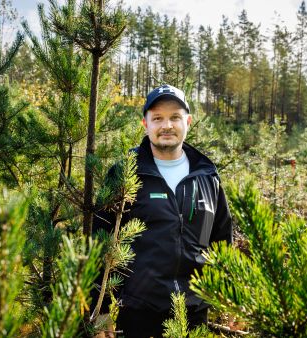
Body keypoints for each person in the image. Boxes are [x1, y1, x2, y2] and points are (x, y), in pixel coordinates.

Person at [92, 84, 233, 338]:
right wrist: (98, 310)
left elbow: (223, 243)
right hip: (139, 315)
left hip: (195, 314)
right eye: (158, 118)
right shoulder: (125, 172)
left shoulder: (208, 176)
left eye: (175, 117)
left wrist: (231, 297)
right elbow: (100, 243)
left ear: (187, 121)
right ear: (145, 124)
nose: (166, 125)